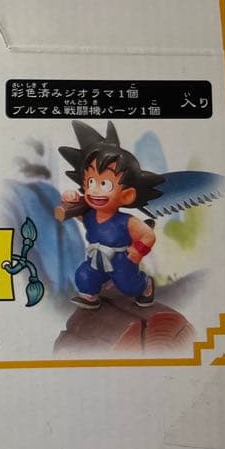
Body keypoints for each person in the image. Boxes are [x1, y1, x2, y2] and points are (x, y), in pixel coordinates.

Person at [57, 121, 163, 309]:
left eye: (105, 184)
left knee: (128, 285)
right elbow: (79, 215)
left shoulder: (127, 221)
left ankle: (145, 284)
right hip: (95, 259)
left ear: (127, 195)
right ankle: (90, 295)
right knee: (84, 275)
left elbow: (148, 235)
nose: (94, 190)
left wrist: (138, 250)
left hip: (122, 261)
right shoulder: (90, 215)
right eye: (90, 182)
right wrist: (71, 199)